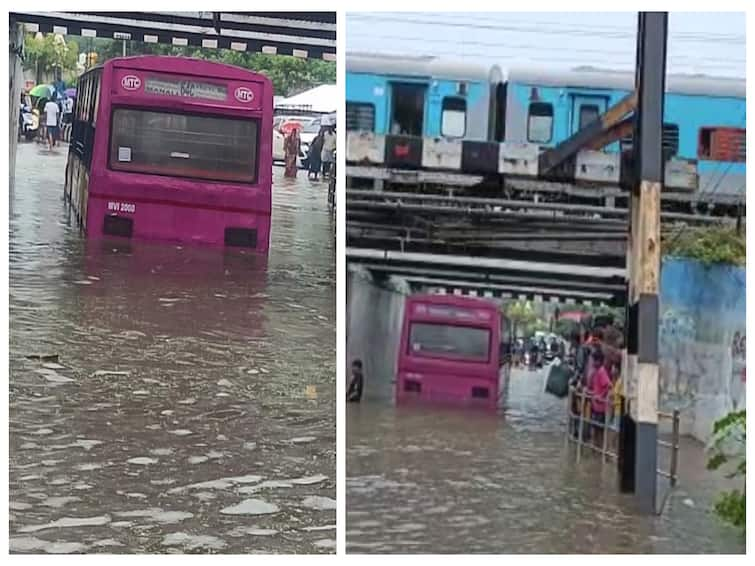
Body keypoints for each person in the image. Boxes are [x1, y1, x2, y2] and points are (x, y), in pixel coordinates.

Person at [588, 348, 612, 448]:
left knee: (599, 430)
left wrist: (601, 396)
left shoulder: (601, 372)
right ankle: (596, 449)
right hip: (596, 406)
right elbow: (597, 388)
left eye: (594, 360)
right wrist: (591, 393)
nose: (592, 362)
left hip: (600, 407)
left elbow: (609, 385)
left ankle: (599, 449)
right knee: (596, 428)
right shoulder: (597, 371)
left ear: (599, 361)